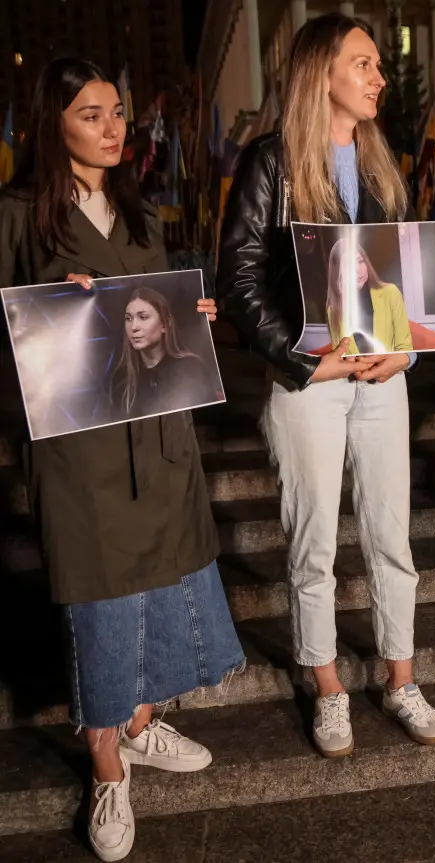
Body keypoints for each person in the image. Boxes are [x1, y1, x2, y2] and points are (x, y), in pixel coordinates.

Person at [0, 58, 244, 862]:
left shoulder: (139, 215)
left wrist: (194, 315)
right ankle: (105, 760)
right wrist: (49, 321)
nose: (113, 130)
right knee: (102, 596)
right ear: (53, 124)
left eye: (117, 114)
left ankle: (141, 721)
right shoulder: (16, 217)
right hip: (81, 451)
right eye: (92, 115)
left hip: (159, 436)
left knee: (163, 579)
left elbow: (161, 324)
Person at [217, 13, 435, 756]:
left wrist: (406, 350)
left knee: (390, 531)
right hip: (309, 379)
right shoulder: (271, 163)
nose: (380, 78)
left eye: (378, 65)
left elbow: (403, 278)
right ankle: (326, 683)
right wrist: (299, 358)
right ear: (323, 73)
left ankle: (400, 677)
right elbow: (241, 279)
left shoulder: (382, 162)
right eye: (365, 64)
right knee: (313, 539)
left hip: (381, 373)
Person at [111, 286, 220, 419]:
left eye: (143, 317)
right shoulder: (121, 380)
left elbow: (208, 420)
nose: (134, 327)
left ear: (165, 324)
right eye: (128, 319)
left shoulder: (191, 368)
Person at [324, 235, 413, 355]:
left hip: (392, 372)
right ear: (337, 273)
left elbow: (405, 347)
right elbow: (339, 356)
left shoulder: (391, 293)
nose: (357, 270)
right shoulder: (333, 310)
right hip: (353, 373)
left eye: (360, 261)